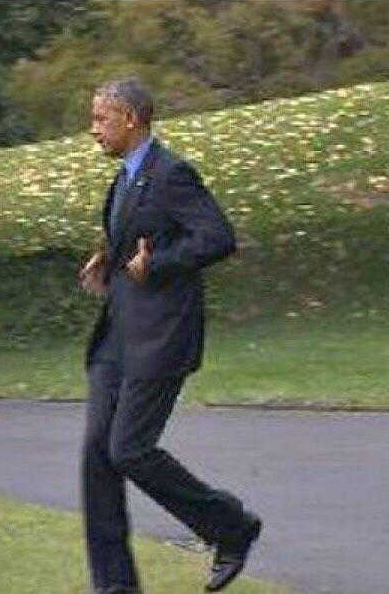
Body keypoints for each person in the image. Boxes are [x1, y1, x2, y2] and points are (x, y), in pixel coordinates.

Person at [78, 78, 261, 594]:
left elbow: (217, 237)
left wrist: (156, 264)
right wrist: (108, 259)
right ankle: (115, 586)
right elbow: (138, 235)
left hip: (160, 339)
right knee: (97, 459)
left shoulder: (171, 173)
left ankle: (230, 526)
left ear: (131, 119)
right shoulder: (125, 180)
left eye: (101, 118)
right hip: (117, 338)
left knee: (129, 451)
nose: (94, 129)